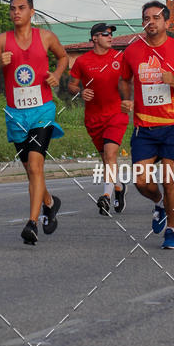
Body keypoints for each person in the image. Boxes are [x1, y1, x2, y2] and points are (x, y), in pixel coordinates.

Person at [0, 0, 68, 245]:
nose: (16, 12)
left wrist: (57, 74)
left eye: (21, 8)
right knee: (30, 170)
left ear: (32, 12)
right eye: (12, 9)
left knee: (35, 166)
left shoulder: (45, 37)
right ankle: (50, 203)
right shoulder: (1, 40)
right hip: (16, 112)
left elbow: (64, 57)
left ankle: (32, 223)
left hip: (42, 110)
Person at [120, 1, 174, 250]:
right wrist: (126, 98)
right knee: (141, 181)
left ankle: (172, 231)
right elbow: (124, 79)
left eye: (156, 17)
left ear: (167, 22)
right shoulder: (133, 51)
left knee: (169, 180)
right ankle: (159, 204)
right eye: (146, 17)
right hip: (144, 127)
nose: (151, 22)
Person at [68, 23, 131, 215]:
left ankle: (105, 196)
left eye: (111, 34)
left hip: (117, 114)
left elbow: (131, 79)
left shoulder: (120, 57)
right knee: (106, 159)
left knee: (111, 154)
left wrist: (131, 100)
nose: (110, 37)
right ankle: (119, 188)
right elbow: (71, 84)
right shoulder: (82, 61)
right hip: (94, 118)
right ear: (95, 38)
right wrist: (80, 91)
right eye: (106, 34)